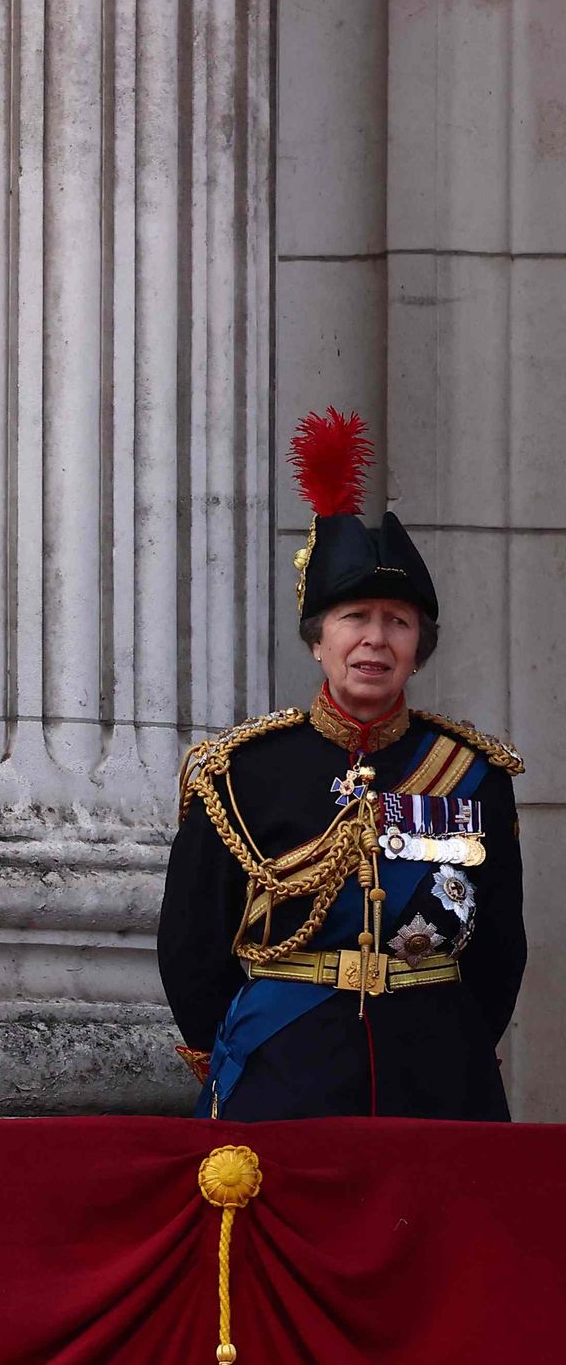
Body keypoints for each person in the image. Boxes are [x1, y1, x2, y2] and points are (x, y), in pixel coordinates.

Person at [160, 410, 526, 1119]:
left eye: (398, 621)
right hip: (283, 1073)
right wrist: (244, 1052)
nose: (375, 639)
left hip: (437, 1075)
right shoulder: (240, 770)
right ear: (317, 640)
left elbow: (499, 950)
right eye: (355, 617)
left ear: (419, 645)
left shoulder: (474, 772)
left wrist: (457, 1043)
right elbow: (192, 947)